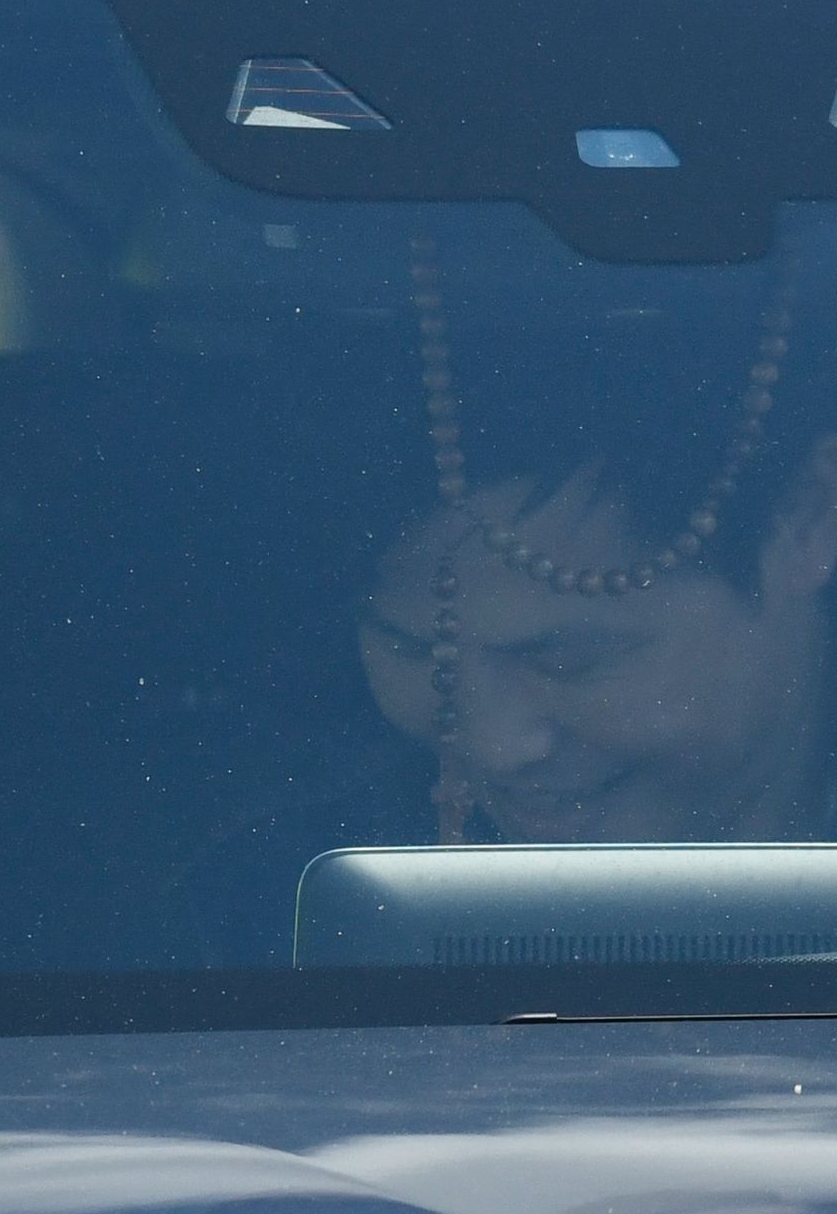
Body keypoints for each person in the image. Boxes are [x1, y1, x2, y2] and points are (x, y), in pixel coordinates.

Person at [353, 241, 837, 844]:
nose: (495, 748)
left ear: (808, 518)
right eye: (410, 649)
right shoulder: (237, 904)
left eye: (571, 660)